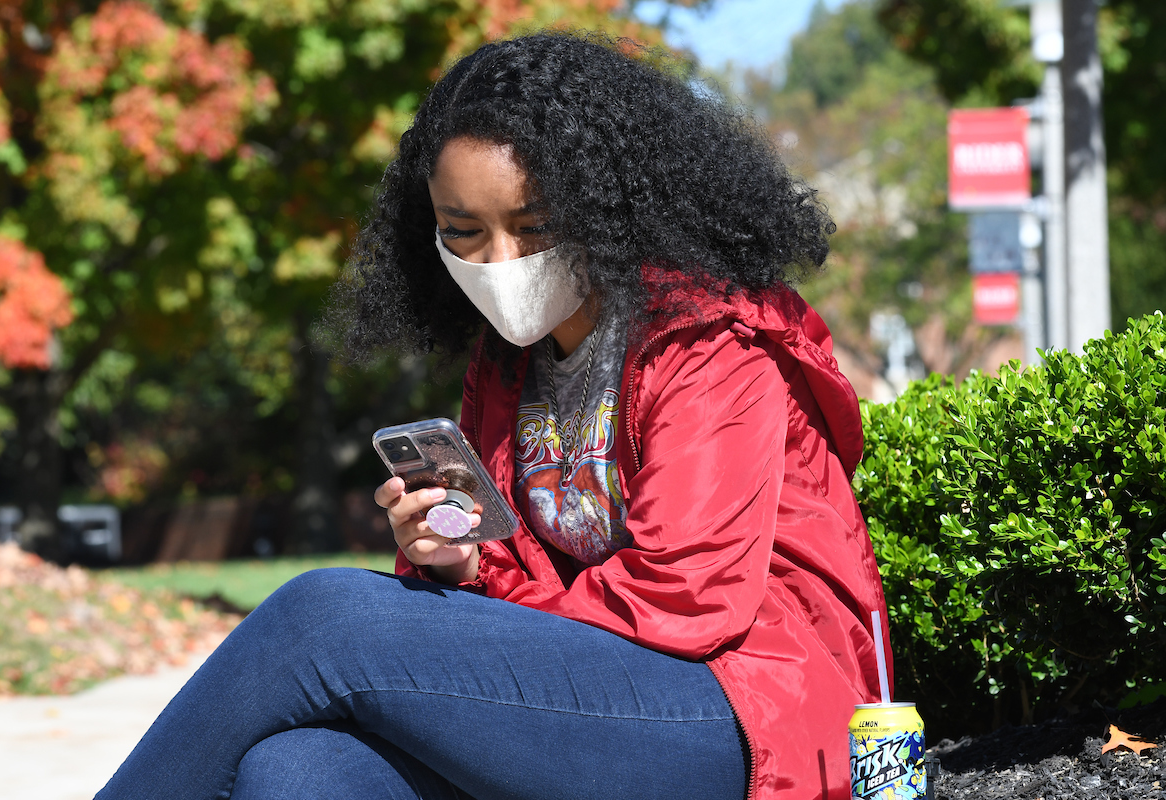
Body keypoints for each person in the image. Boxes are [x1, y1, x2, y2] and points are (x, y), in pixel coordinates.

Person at [96, 31, 891, 800]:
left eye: (535, 227)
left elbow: (686, 599)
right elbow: (526, 579)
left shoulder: (710, 343)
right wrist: (463, 566)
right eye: (463, 233)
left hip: (747, 716)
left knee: (323, 619)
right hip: (591, 699)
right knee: (301, 769)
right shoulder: (509, 364)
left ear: (610, 207)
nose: (499, 263)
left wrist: (490, 606)